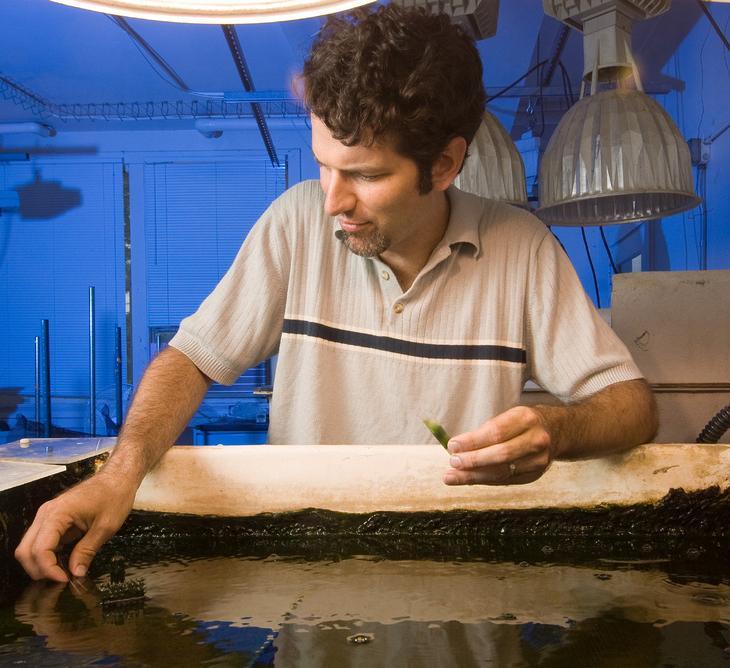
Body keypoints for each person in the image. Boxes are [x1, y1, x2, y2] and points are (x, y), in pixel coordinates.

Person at [16, 4, 657, 583]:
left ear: (443, 164)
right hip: (299, 561)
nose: (332, 201)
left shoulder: (523, 247)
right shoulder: (295, 223)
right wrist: (120, 475)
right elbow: (191, 359)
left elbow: (632, 406)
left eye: (365, 174)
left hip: (466, 566)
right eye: (322, 163)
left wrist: (556, 428)